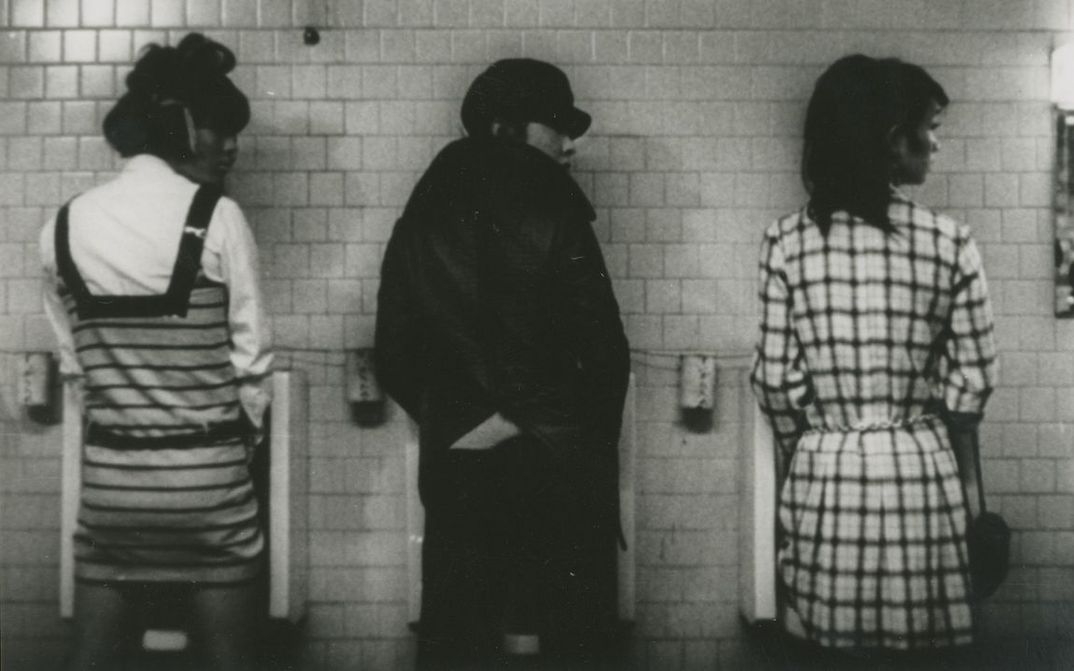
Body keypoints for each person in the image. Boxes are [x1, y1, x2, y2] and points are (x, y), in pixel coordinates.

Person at [375, 58, 631, 666]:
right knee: (575, 642)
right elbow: (603, 349)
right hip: (559, 458)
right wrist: (553, 423)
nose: (570, 144)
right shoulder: (559, 207)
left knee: (459, 640)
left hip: (462, 456)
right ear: (506, 127)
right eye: (556, 126)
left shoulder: (424, 211)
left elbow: (394, 348)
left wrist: (461, 417)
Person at [750, 55, 998, 659]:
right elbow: (972, 384)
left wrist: (814, 441)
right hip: (922, 473)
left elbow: (777, 384)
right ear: (893, 139)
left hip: (826, 473)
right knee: (925, 648)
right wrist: (956, 464)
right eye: (931, 126)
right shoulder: (950, 242)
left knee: (828, 648)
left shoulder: (786, 242)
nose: (936, 143)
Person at [40, 33, 272, 671]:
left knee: (95, 660)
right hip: (211, 486)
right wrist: (227, 448)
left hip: (114, 489)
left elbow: (76, 370)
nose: (231, 147)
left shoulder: (62, 226)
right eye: (219, 129)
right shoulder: (218, 218)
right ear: (180, 126)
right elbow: (253, 365)